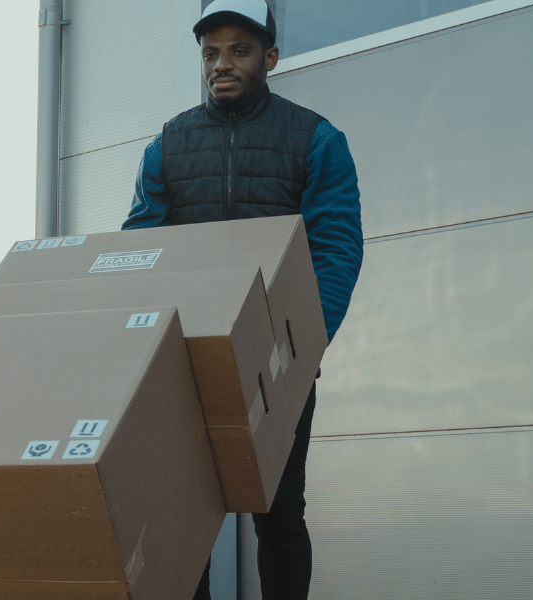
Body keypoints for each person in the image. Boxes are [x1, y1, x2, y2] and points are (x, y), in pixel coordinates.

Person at [119, 1, 363, 598]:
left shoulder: (316, 140)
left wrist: (305, 345)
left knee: (278, 517)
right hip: (183, 369)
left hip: (276, 366)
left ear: (270, 57)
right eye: (210, 52)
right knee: (186, 517)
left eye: (239, 50)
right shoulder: (169, 145)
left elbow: (336, 250)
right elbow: (140, 248)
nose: (221, 64)